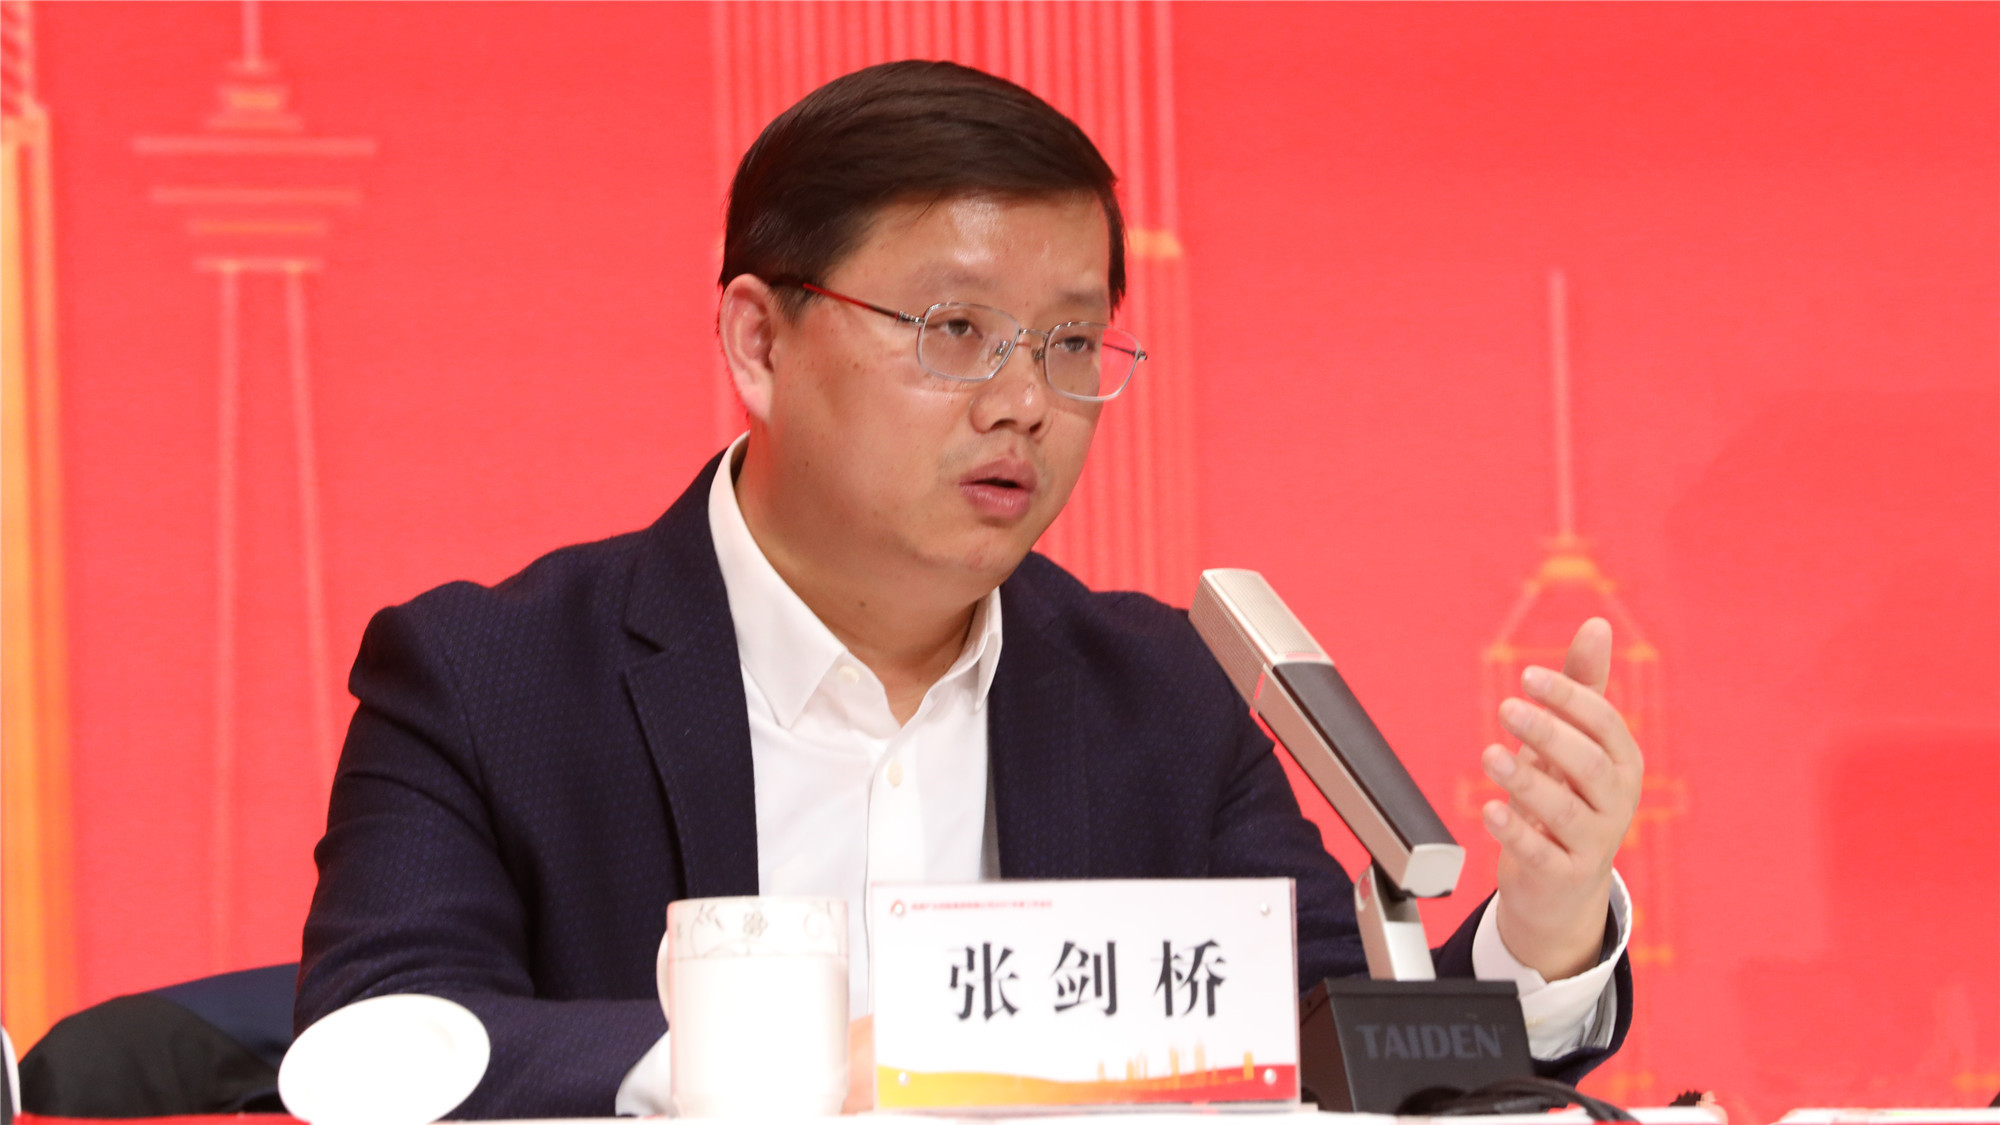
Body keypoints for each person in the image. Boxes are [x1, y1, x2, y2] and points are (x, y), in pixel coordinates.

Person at [296, 60, 1641, 1119]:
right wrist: (790, 1069)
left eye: (1072, 342)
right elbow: (376, 1039)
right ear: (759, 341)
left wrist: (1543, 925)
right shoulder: (490, 681)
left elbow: (1325, 1048)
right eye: (955, 331)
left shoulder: (1162, 693)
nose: (1024, 403)